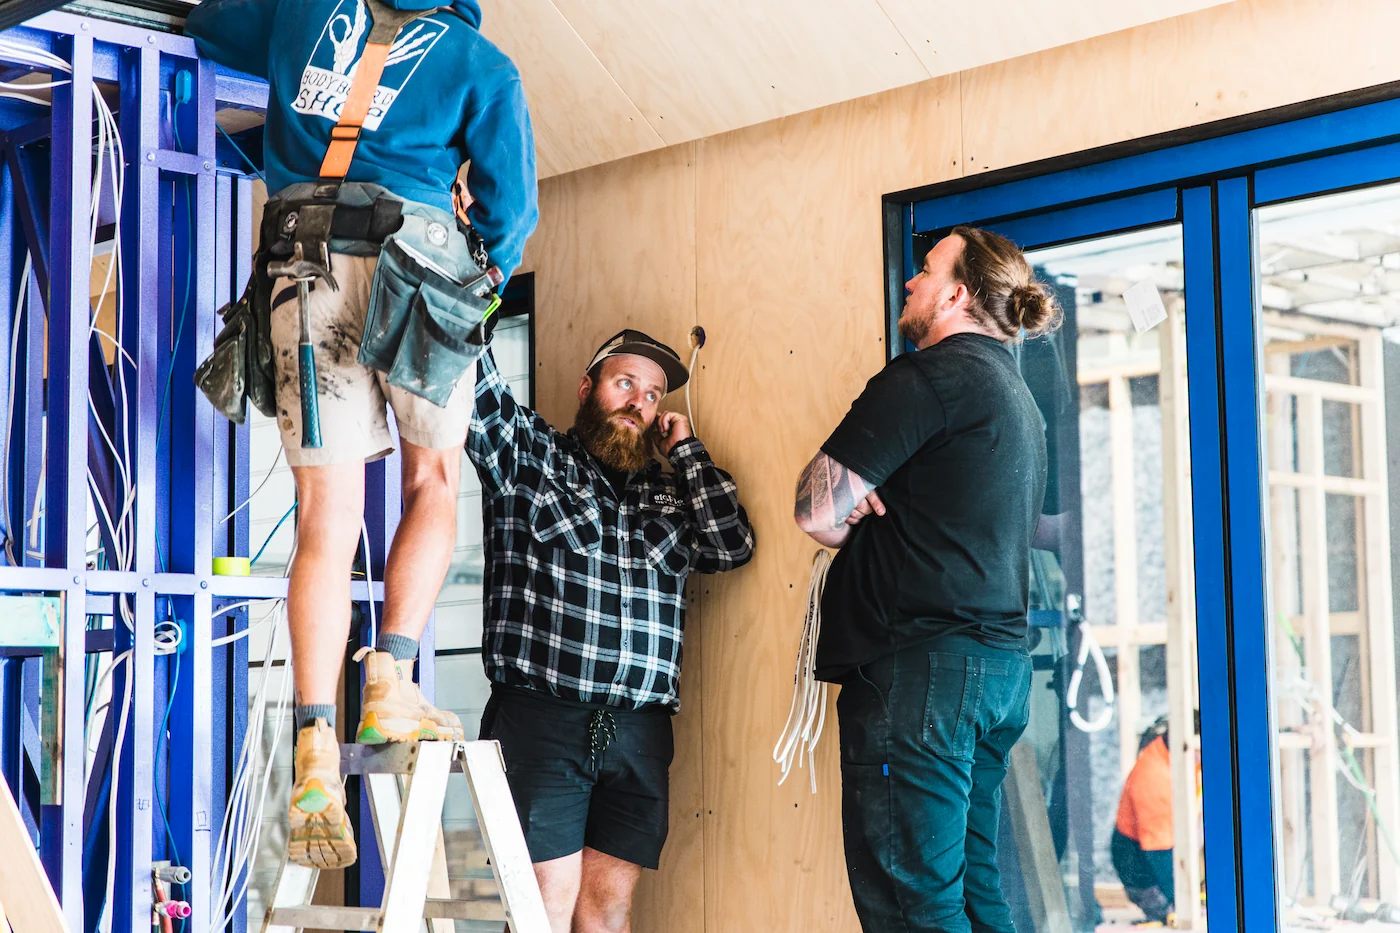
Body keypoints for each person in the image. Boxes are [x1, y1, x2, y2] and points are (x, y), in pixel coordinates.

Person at [186, 0, 538, 870]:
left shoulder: (299, 10)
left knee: (324, 519)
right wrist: (479, 286)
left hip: (302, 264)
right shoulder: (480, 63)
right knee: (432, 484)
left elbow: (203, 25)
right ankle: (391, 680)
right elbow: (510, 213)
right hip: (420, 259)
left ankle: (314, 741)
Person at [794, 226, 1060, 933]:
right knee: (974, 894)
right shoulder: (1018, 400)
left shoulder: (930, 377)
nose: (911, 281)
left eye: (925, 270)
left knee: (914, 906)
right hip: (996, 675)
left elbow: (815, 508)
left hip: (923, 680)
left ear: (957, 293)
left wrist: (854, 506)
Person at [468, 329, 755, 933]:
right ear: (587, 388)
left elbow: (732, 546)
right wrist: (475, 272)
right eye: (625, 383)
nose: (637, 403)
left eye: (651, 395)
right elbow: (474, 384)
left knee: (607, 913)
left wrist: (687, 453)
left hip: (639, 734)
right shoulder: (533, 457)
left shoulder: (670, 492)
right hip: (542, 722)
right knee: (541, 907)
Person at [1112, 718, 1177, 925]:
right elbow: (1158, 851)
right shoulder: (1154, 776)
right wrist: (1179, 898)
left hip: (1162, 851)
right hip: (1141, 866)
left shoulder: (1174, 758)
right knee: (1172, 914)